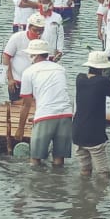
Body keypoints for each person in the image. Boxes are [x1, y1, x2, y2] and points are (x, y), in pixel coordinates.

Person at [16, 38, 73, 167]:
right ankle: (58, 183)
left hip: (45, 116)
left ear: (34, 56)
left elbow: (26, 104)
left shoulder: (28, 72)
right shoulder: (60, 69)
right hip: (66, 115)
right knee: (59, 160)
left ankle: (37, 184)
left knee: (35, 159)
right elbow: (54, 93)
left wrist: (20, 129)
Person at [72, 50, 110, 178]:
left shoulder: (80, 78)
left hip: (77, 131)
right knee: (103, 173)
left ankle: (83, 193)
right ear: (103, 68)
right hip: (94, 133)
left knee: (85, 170)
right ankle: (100, 196)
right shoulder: (102, 82)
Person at [3, 13, 47, 102]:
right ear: (29, 27)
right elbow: (6, 57)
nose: (38, 33)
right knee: (15, 109)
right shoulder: (17, 37)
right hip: (16, 82)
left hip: (34, 83)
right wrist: (10, 79)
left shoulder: (44, 41)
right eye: (35, 30)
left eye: (41, 31)